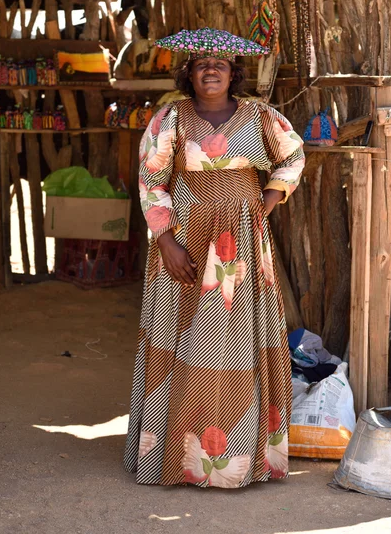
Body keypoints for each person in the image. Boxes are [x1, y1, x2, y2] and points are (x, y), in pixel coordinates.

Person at [124, 28, 305, 488]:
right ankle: (170, 458)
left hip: (240, 244)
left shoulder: (261, 115)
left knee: (235, 344)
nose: (210, 70)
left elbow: (293, 157)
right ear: (189, 73)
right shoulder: (170, 118)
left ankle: (238, 461)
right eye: (201, 64)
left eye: (220, 65)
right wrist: (166, 241)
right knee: (181, 341)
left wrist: (266, 200)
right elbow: (150, 180)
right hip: (184, 238)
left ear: (233, 74)